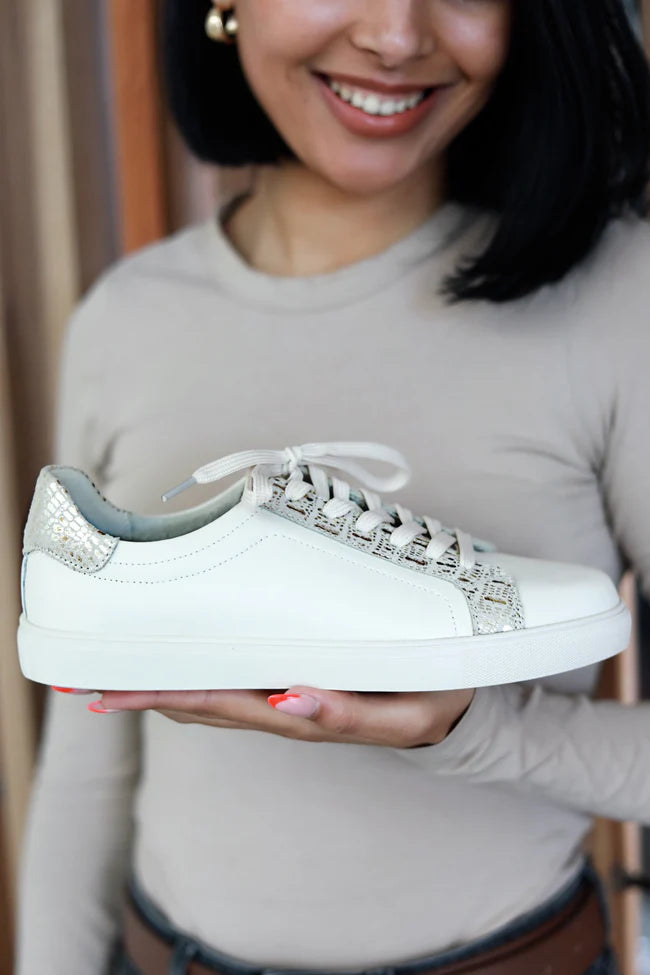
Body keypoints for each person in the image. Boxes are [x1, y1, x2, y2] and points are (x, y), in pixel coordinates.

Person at [14, 1, 650, 973]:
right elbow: (87, 771)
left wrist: (475, 729)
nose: (395, 37)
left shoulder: (617, 296)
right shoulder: (126, 320)